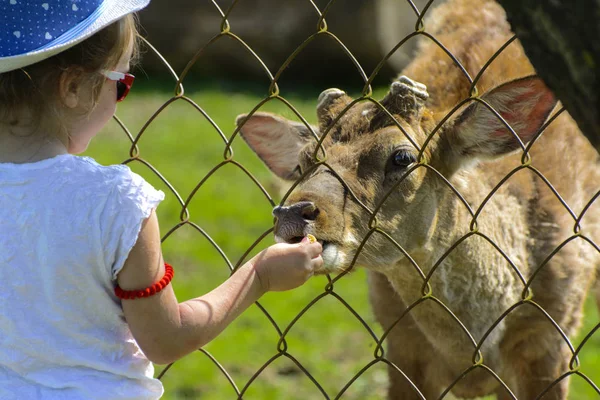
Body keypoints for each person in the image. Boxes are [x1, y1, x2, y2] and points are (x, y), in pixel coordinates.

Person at [0, 1, 323, 398]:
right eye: (120, 83)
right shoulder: (111, 202)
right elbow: (166, 340)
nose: (121, 97)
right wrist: (259, 275)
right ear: (72, 88)